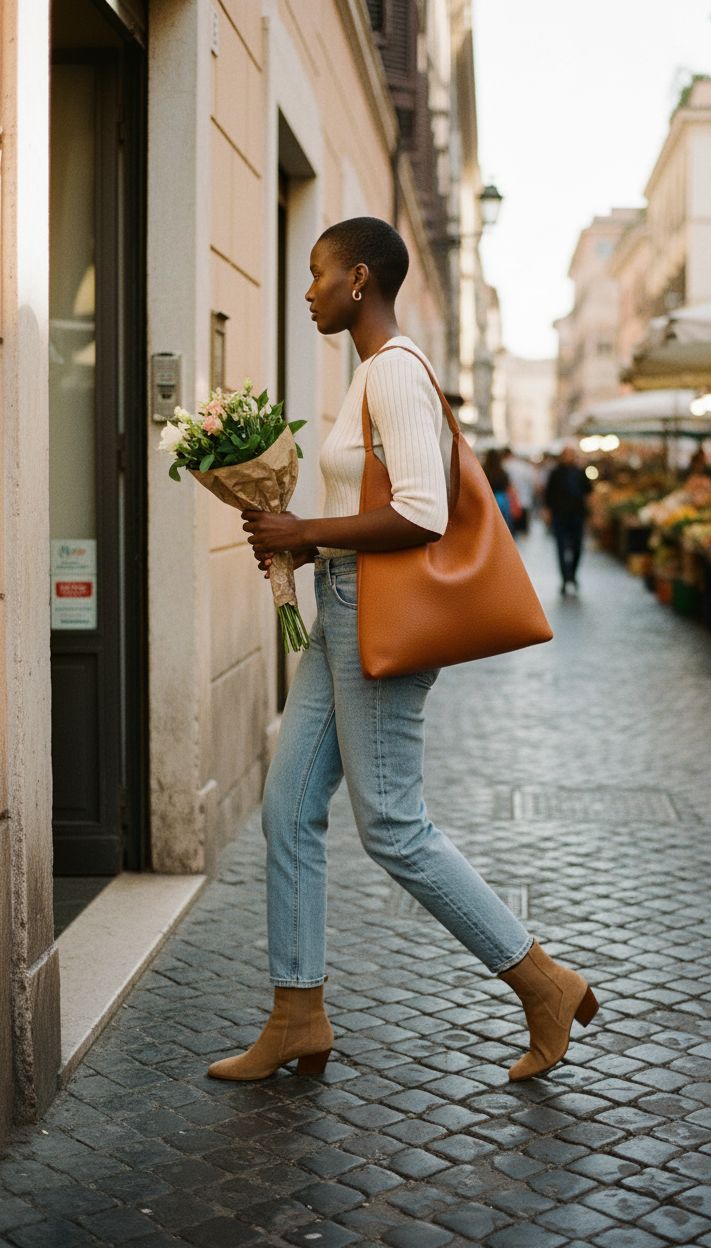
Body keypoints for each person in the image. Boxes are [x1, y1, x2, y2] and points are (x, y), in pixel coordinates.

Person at [206, 217, 597, 1085]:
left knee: (392, 825)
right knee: (286, 808)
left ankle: (542, 983)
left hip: (379, 620)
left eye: (317, 273)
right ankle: (296, 1014)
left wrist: (304, 525)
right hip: (344, 603)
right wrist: (312, 546)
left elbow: (421, 512)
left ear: (358, 281)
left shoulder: (394, 375)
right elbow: (378, 511)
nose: (306, 289)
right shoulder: (369, 378)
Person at [544, 445, 592, 594]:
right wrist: (547, 512)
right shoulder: (555, 473)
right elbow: (548, 494)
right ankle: (565, 578)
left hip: (577, 515)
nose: (569, 457)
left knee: (577, 547)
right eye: (567, 454)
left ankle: (572, 573)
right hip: (560, 516)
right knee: (561, 548)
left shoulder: (580, 472)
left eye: (571, 454)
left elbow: (589, 493)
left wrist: (593, 513)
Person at [482, 448, 515, 534]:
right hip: (502, 499)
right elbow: (507, 486)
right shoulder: (503, 472)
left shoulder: (483, 471)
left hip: (488, 499)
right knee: (504, 525)